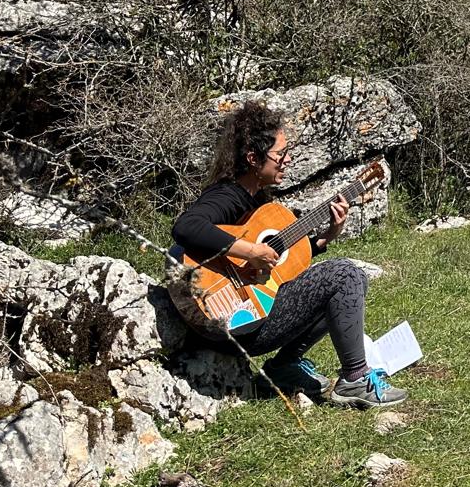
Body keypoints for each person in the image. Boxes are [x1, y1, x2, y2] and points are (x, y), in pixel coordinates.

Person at [172, 101, 407, 409]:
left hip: (250, 319)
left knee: (355, 280)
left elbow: (281, 258)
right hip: (233, 321)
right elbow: (186, 227)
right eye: (280, 154)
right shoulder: (227, 195)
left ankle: (284, 366)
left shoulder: (258, 201)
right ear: (253, 158)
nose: (287, 160)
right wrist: (251, 251)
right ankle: (355, 379)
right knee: (345, 274)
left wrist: (327, 236)